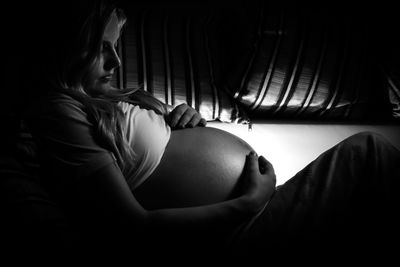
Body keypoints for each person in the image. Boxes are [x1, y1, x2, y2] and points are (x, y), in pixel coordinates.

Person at [20, 0, 400, 264]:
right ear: (67, 47)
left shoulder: (109, 98)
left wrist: (182, 119)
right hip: (229, 234)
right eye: (100, 48)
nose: (115, 61)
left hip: (250, 213)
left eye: (115, 46)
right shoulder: (59, 110)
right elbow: (130, 227)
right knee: (367, 155)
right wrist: (248, 202)